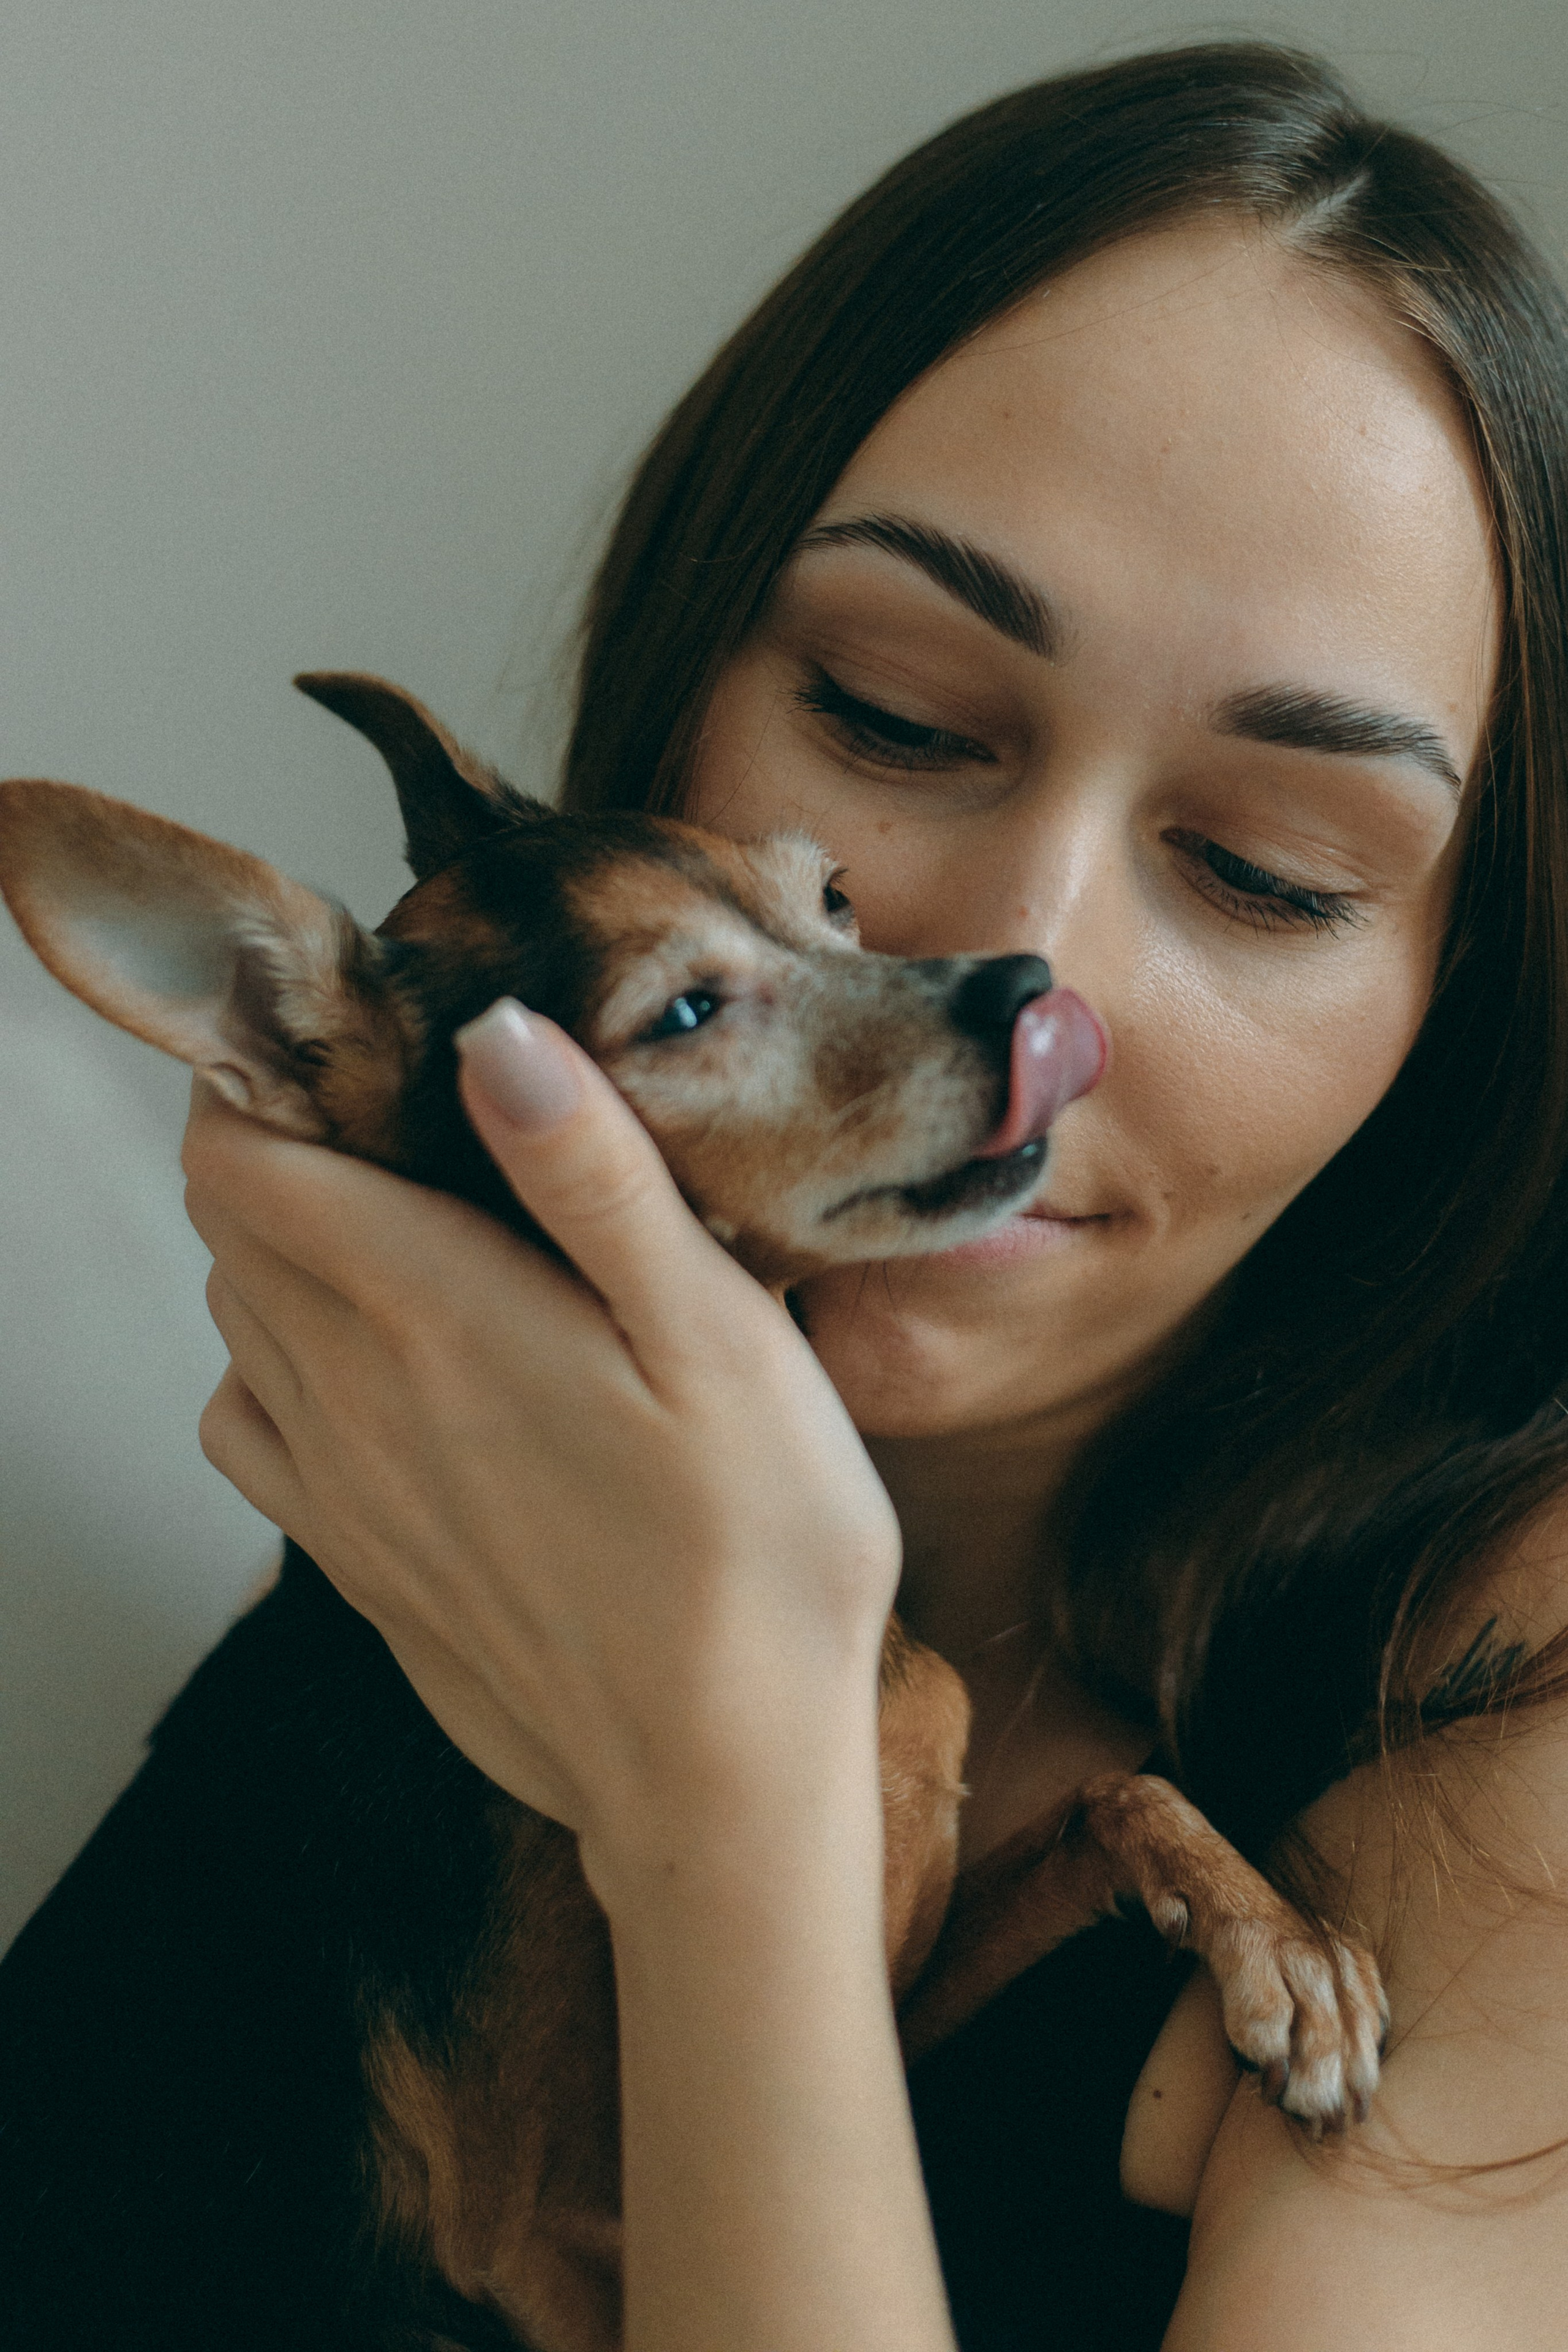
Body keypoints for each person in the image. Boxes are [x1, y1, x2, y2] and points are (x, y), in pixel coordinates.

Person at [179, 42, 1568, 2351]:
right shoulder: (446, 1469)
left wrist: (725, 1781)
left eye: (1266, 870)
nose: (1024, 972)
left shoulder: (1515, 1712)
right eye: (899, 718)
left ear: (1465, 1011)